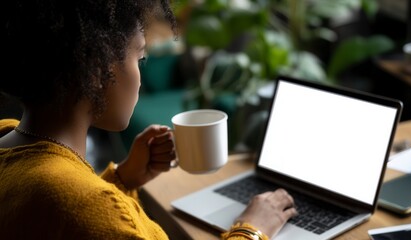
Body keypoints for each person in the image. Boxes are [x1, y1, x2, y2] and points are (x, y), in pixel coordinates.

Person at [0, 0, 298, 239]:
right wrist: (252, 229)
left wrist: (123, 178)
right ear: (95, 67)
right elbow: (82, 209)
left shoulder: (7, 139)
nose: (140, 78)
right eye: (139, 58)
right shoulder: (88, 205)